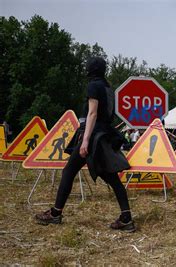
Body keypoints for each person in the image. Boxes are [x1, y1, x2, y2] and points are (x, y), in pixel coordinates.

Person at [35, 57, 135, 232]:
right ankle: (126, 218)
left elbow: (92, 114)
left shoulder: (93, 86)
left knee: (69, 171)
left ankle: (55, 214)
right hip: (103, 134)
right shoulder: (108, 88)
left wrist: (86, 140)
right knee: (111, 177)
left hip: (92, 135)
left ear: (91, 69)